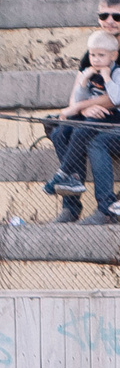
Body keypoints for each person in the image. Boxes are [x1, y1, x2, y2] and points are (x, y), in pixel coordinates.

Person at [47, 28, 120, 223]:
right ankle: (71, 198)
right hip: (95, 117)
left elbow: (116, 99)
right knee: (60, 131)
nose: (95, 59)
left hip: (113, 120)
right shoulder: (90, 66)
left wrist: (105, 78)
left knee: (92, 139)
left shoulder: (115, 71)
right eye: (92, 55)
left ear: (114, 55)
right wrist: (84, 82)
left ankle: (105, 208)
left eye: (100, 55)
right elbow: (77, 100)